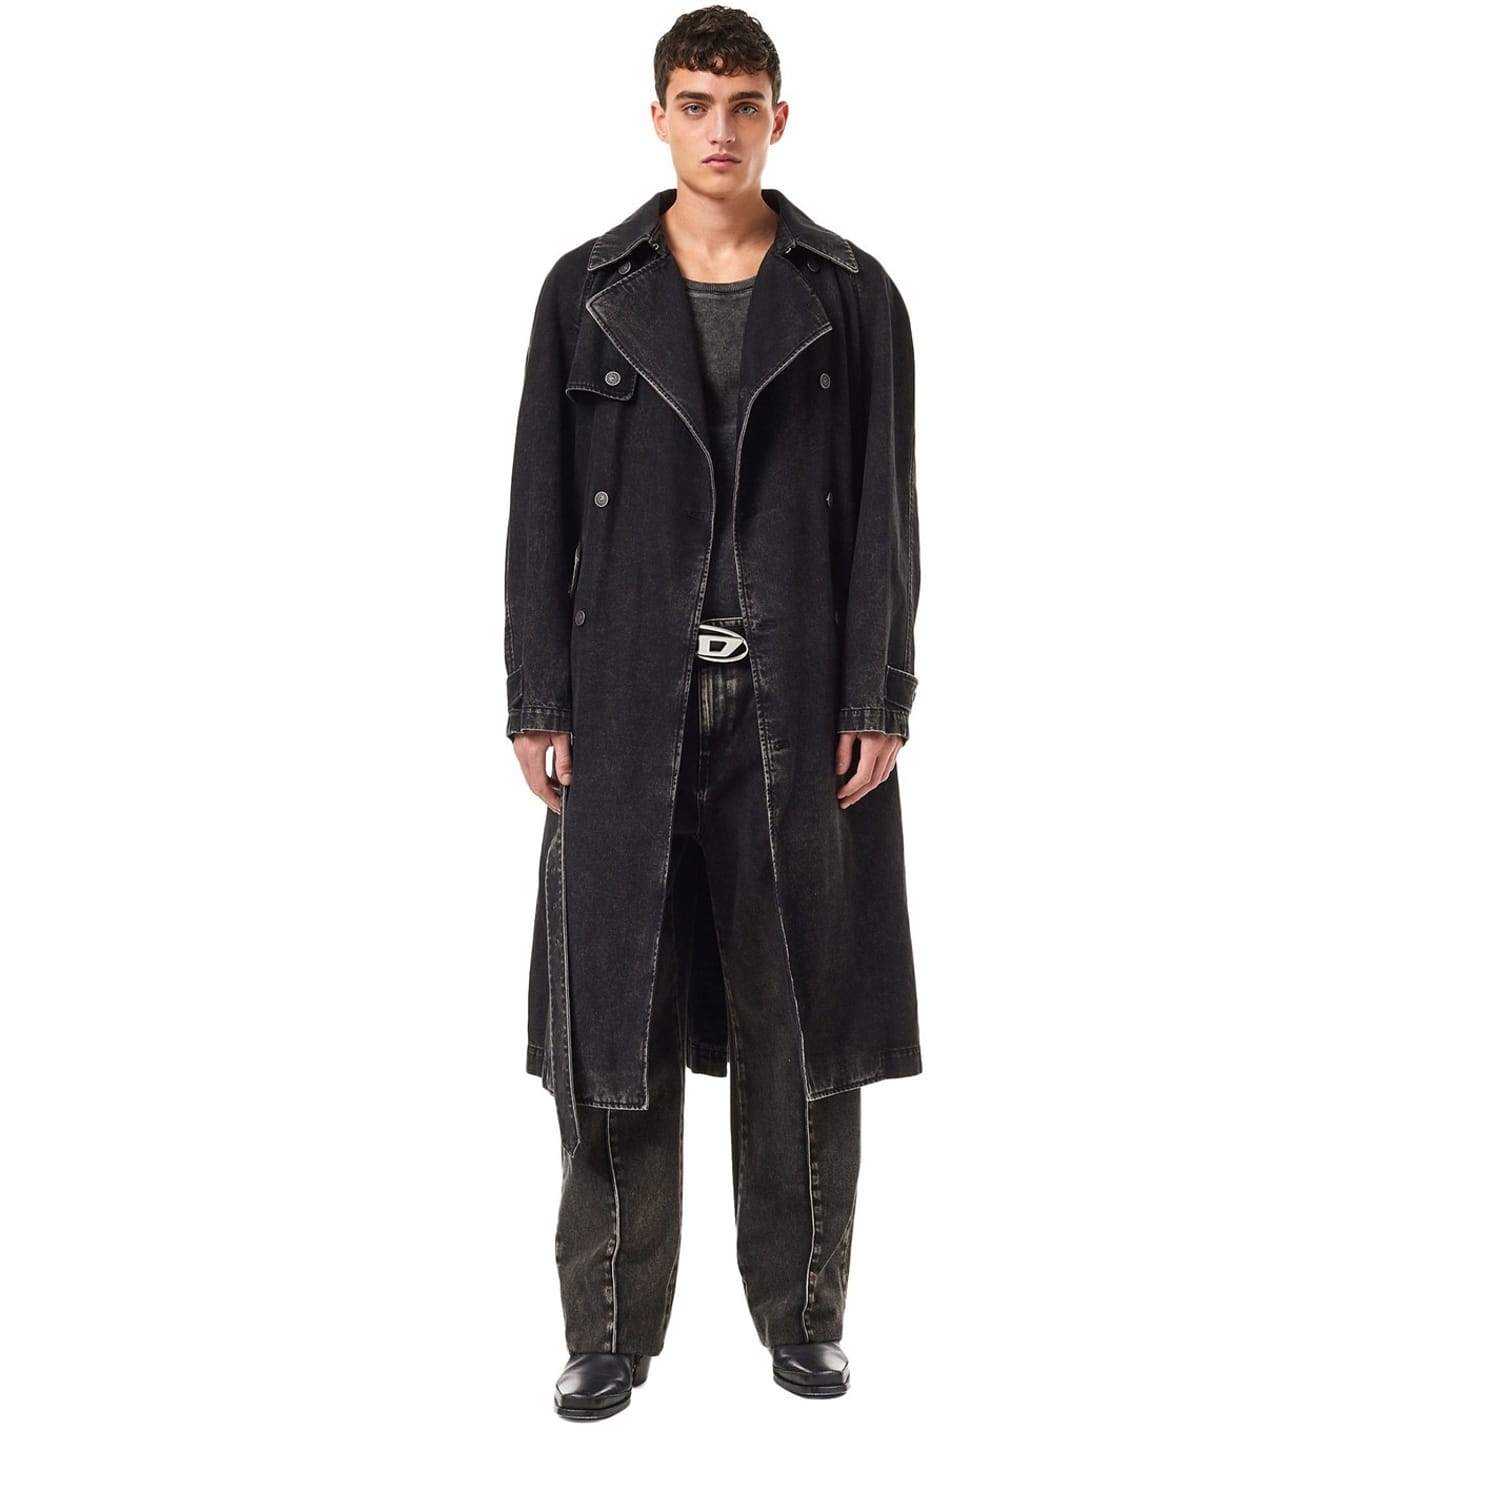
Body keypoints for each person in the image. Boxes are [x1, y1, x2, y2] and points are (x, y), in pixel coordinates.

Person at [503, 6, 923, 1420]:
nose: (721, 129)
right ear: (659, 119)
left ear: (779, 119)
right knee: (610, 1016)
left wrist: (878, 693)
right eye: (696, 103)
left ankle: (805, 1319)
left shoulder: (851, 294)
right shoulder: (587, 289)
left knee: (804, 1011)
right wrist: (537, 696)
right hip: (625, 698)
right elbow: (539, 506)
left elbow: (886, 511)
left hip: (801, 704)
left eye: (744, 104)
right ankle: (608, 1331)